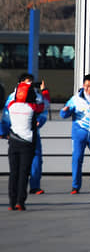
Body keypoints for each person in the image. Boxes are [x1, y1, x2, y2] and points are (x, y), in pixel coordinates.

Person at [1, 80, 49, 211]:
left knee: (13, 173)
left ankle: (11, 202)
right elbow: (44, 105)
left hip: (13, 142)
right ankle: (20, 202)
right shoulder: (32, 108)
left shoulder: (12, 105)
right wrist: (44, 91)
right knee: (23, 174)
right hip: (27, 143)